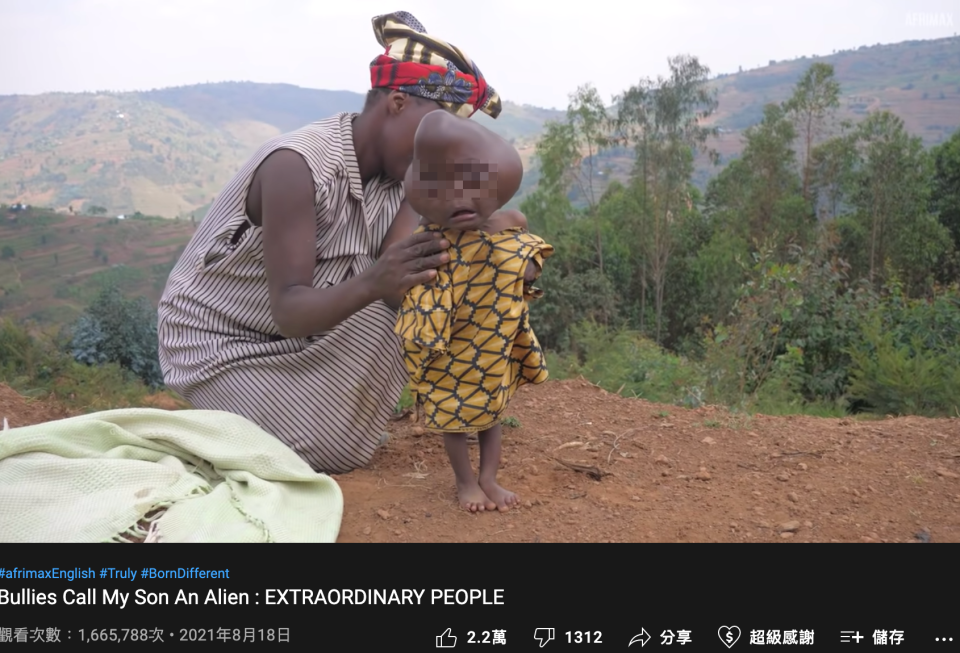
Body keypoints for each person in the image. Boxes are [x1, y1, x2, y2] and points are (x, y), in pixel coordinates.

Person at [156, 11, 502, 474]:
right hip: (221, 346)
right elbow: (292, 309)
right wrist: (381, 280)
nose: (438, 152)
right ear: (397, 102)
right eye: (435, 131)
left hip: (305, 339)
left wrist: (492, 263)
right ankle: (238, 420)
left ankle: (296, 418)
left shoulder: (407, 179)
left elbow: (401, 284)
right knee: (332, 448)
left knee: (418, 304)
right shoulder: (298, 167)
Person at [392, 110, 554, 512]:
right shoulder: (429, 238)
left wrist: (519, 263)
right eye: (441, 192)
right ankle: (466, 482)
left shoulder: (505, 223)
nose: (459, 200)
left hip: (491, 343)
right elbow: (409, 283)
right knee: (453, 418)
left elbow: (529, 257)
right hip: (448, 348)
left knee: (491, 415)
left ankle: (489, 478)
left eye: (471, 185)